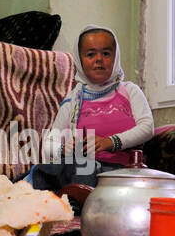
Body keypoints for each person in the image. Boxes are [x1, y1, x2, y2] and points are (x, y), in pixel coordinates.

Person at [28, 25, 155, 194]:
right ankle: (25, 188)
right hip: (77, 169)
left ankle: (77, 197)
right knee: (60, 168)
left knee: (85, 168)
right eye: (90, 54)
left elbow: (147, 127)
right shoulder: (73, 99)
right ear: (80, 60)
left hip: (119, 172)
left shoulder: (129, 90)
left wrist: (110, 142)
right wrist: (65, 148)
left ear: (115, 57)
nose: (99, 59)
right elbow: (50, 143)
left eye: (106, 53)